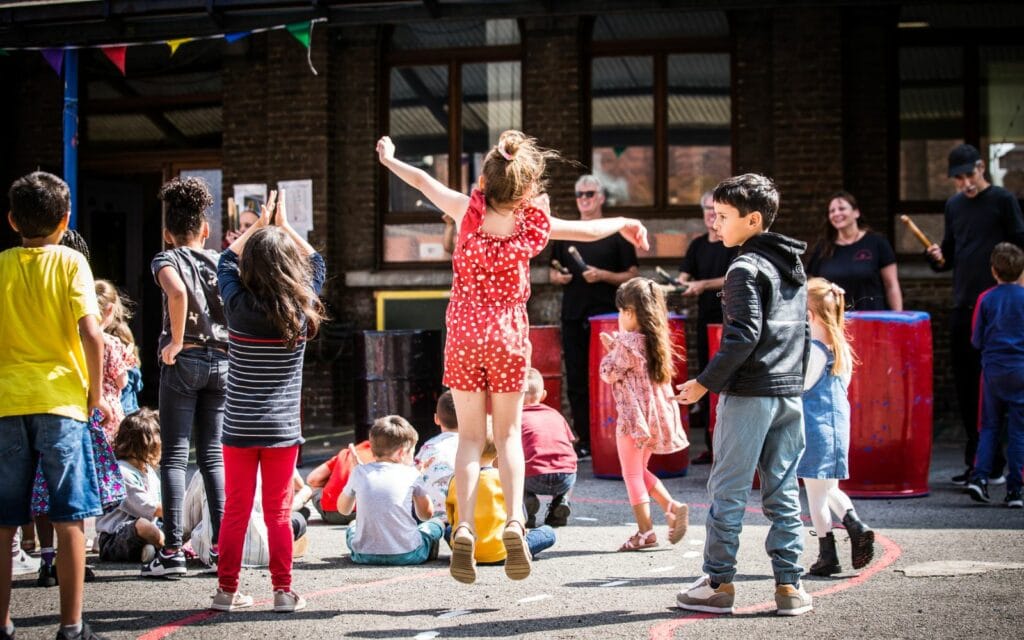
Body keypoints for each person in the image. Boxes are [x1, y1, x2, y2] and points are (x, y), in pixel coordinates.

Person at [376, 130, 649, 584]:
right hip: (506, 333)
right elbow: (587, 228)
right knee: (505, 438)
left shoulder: (466, 212)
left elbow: (424, 182)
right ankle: (516, 524)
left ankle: (463, 526)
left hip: (464, 331)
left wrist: (389, 160)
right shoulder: (532, 223)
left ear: (487, 179)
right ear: (525, 188)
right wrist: (622, 220)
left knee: (467, 438)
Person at [675, 173, 812, 616]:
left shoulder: (743, 268)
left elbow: (742, 336)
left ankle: (717, 583)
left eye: (722, 216)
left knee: (728, 491)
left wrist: (703, 383)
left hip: (749, 392)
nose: (714, 225)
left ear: (752, 220)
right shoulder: (792, 266)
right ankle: (790, 587)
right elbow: (800, 335)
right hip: (789, 393)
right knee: (783, 491)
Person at [0, 171, 113, 640]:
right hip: (62, 403)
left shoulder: (2, 264)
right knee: (70, 518)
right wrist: (95, 393)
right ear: (65, 222)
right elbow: (91, 332)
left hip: (8, 402)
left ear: (11, 220)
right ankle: (71, 626)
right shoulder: (71, 263)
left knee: (5, 523)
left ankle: (3, 622)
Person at [211, 189, 325, 613]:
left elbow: (224, 260)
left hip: (238, 426)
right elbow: (318, 262)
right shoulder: (301, 310)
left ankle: (225, 591)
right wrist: (285, 228)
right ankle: (281, 591)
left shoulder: (237, 305)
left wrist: (259, 225)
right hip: (281, 430)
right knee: (278, 513)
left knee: (236, 511)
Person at [146, 177, 229, 579]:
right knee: (213, 456)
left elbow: (176, 294)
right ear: (206, 230)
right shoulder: (221, 261)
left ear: (167, 233)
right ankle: (220, 549)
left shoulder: (166, 259)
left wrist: (176, 341)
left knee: (175, 458)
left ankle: (173, 550)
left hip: (186, 362)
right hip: (223, 364)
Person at [926, 144, 1024, 485]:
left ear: (982, 167)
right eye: (958, 178)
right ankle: (979, 464)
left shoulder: (1002, 201)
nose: (966, 183)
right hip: (964, 304)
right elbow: (950, 255)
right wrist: (937, 257)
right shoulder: (953, 206)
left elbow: (1019, 247)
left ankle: (1008, 467)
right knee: (968, 388)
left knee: (1003, 389)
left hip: (999, 306)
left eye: (970, 174)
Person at [550, 175, 640, 458]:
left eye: (590, 193)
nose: (584, 199)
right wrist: (559, 277)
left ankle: (615, 436)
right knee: (576, 379)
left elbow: (632, 275)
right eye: (579, 194)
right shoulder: (566, 233)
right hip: (574, 314)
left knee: (613, 377)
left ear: (601, 197)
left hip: (607, 318)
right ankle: (585, 440)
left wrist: (603, 275)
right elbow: (552, 272)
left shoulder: (616, 232)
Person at [599, 278, 690, 551]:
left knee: (631, 474)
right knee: (639, 469)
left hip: (633, 420)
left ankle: (645, 532)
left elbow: (609, 373)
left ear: (628, 313)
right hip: (653, 418)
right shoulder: (655, 339)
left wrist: (610, 350)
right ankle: (671, 507)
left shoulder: (626, 345)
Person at [798, 279, 875, 576]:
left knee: (815, 495)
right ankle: (855, 526)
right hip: (836, 425)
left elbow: (800, 387)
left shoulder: (815, 351)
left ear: (810, 314)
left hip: (814, 427)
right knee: (829, 487)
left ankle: (827, 554)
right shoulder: (840, 348)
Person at [677, 191, 737, 464]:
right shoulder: (697, 245)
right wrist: (680, 284)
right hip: (705, 319)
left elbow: (733, 277)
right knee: (706, 376)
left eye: (716, 210)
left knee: (726, 378)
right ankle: (712, 448)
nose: (711, 215)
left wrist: (702, 285)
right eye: (707, 210)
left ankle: (727, 447)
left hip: (730, 319)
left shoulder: (733, 244)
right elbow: (683, 277)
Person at [338, 416, 445, 566]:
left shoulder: (359, 472)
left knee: (352, 526)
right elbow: (426, 515)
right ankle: (428, 550)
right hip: (409, 554)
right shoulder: (412, 474)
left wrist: (358, 474)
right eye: (412, 452)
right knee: (436, 524)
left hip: (363, 555)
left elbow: (343, 509)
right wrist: (417, 482)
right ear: (402, 453)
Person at [966, 243, 1024, 508]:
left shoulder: (986, 298)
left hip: (993, 370)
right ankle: (1015, 491)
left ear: (993, 270)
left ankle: (979, 478)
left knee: (988, 426)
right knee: (1018, 431)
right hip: (1021, 369)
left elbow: (976, 339)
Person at [446, 428, 556, 566]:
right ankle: (519, 547)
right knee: (548, 532)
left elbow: (451, 516)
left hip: (471, 542)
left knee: (448, 530)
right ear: (498, 452)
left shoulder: (457, 480)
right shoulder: (503, 479)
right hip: (501, 550)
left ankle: (462, 547)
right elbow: (522, 515)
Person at [806, 191, 902, 311]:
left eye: (842, 208)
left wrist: (898, 318)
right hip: (835, 323)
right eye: (832, 211)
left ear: (856, 212)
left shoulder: (877, 243)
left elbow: (891, 285)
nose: (837, 213)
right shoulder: (823, 248)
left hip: (873, 320)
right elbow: (813, 286)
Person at [95, 409, 164, 565]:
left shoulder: (147, 470)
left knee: (171, 526)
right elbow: (152, 508)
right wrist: (181, 509)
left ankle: (149, 549)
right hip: (114, 537)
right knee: (145, 526)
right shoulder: (122, 472)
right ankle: (169, 549)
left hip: (150, 525)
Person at [520, 368, 577, 528]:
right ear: (543, 395)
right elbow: (570, 443)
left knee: (514, 464)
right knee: (570, 461)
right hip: (564, 478)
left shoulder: (516, 417)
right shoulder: (556, 415)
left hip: (532, 478)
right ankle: (561, 501)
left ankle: (526, 503)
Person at [93, 280, 136, 442]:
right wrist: (126, 363)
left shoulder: (76, 339)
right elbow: (122, 382)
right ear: (110, 309)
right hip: (108, 407)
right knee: (107, 456)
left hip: (81, 405)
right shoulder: (111, 343)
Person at [415, 390, 460, 519]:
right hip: (463, 516)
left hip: (432, 516)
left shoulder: (427, 447)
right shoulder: (473, 447)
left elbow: (414, 474)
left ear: (436, 419)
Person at [306, 441, 373, 525]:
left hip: (332, 513)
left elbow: (312, 479)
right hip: (365, 513)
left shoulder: (346, 453)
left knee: (314, 489)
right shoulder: (387, 456)